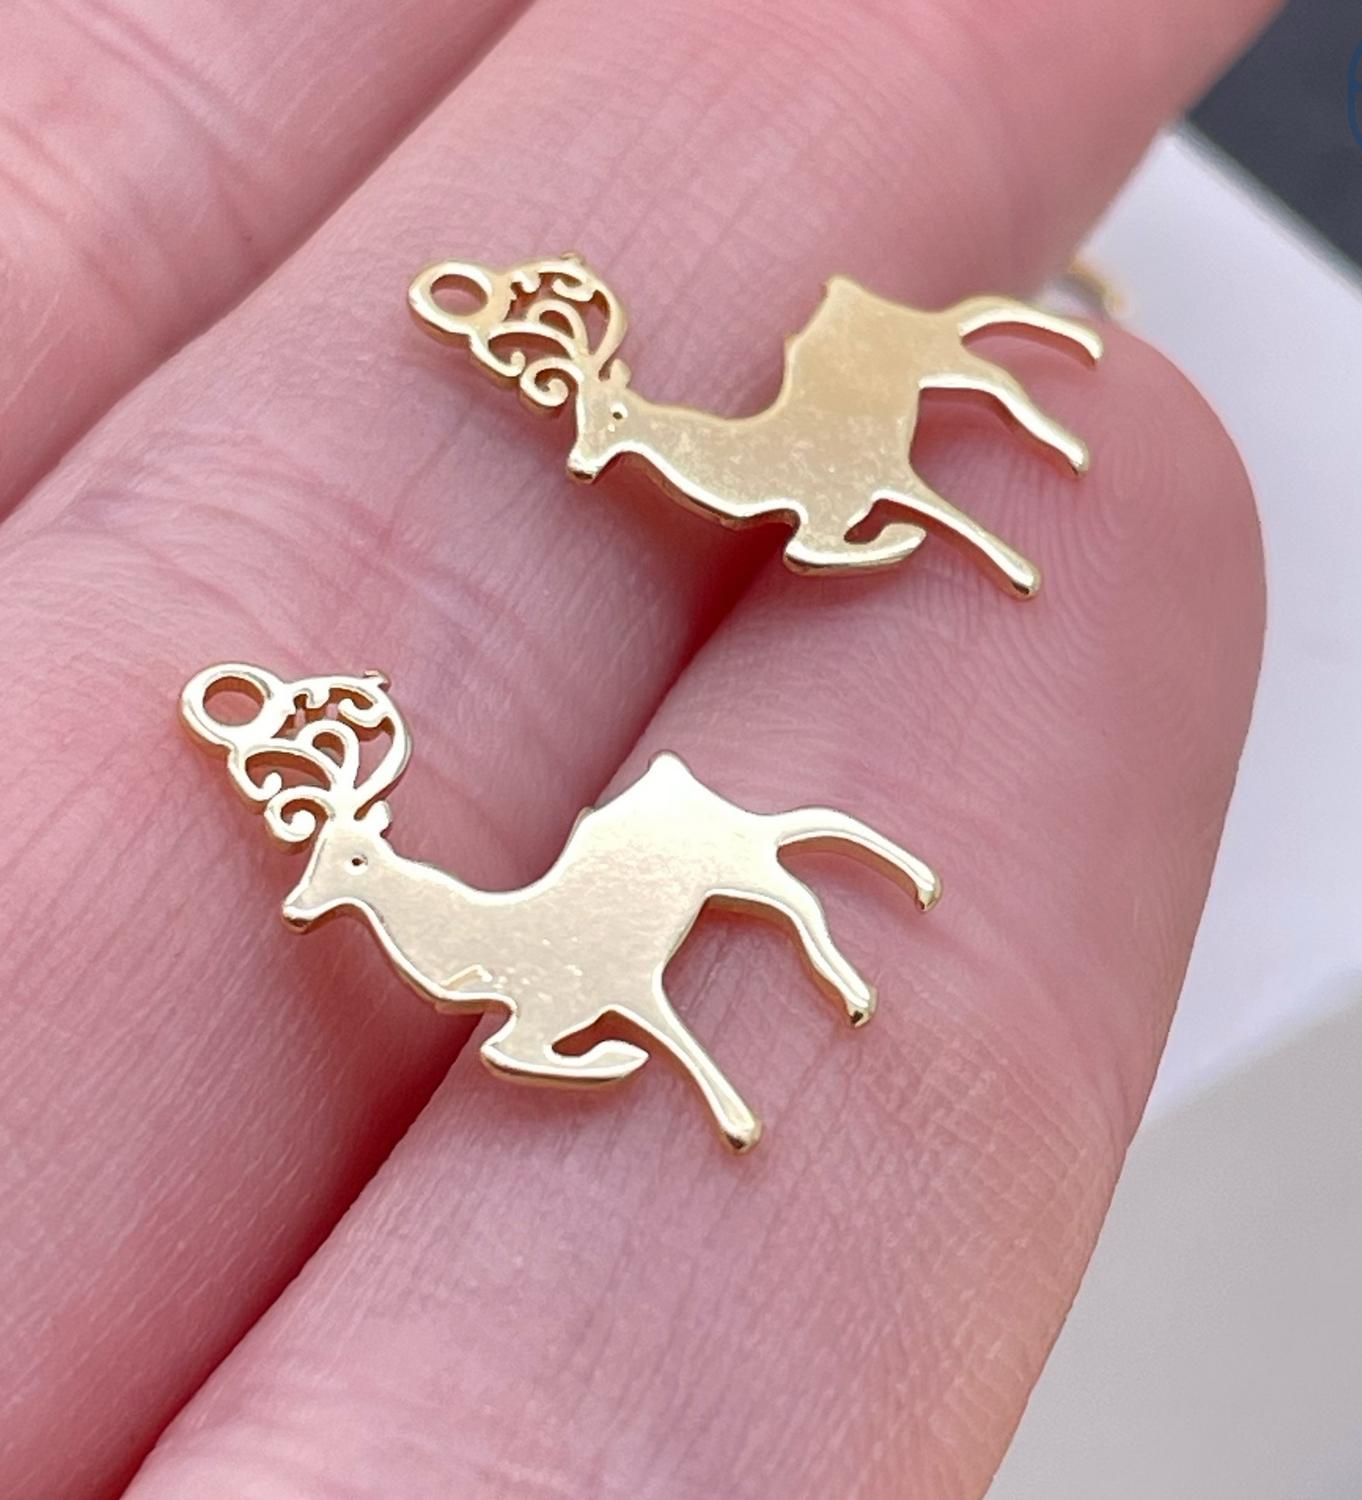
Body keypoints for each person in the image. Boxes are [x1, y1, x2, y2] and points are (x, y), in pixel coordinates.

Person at [0, 0, 1273, 1494]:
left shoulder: (659, 439)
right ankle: (759, 1003)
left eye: (582, 399)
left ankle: (804, 939)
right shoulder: (415, 894)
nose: (584, 426)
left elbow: (649, 444)